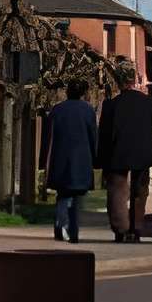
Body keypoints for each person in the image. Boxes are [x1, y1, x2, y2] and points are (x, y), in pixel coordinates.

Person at [95, 65, 152, 242]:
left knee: (117, 190)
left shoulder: (111, 105)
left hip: (117, 152)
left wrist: (101, 158)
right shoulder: (146, 102)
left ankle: (121, 228)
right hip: (143, 152)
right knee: (140, 190)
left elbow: (104, 132)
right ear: (134, 81)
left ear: (118, 81)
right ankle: (136, 227)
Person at [40, 77, 100, 244]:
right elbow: (93, 137)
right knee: (76, 197)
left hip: (60, 158)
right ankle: (73, 230)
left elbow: (48, 136)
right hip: (81, 159)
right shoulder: (88, 111)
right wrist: (96, 159)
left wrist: (44, 160)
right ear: (83, 93)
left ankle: (60, 223)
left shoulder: (57, 110)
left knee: (63, 194)